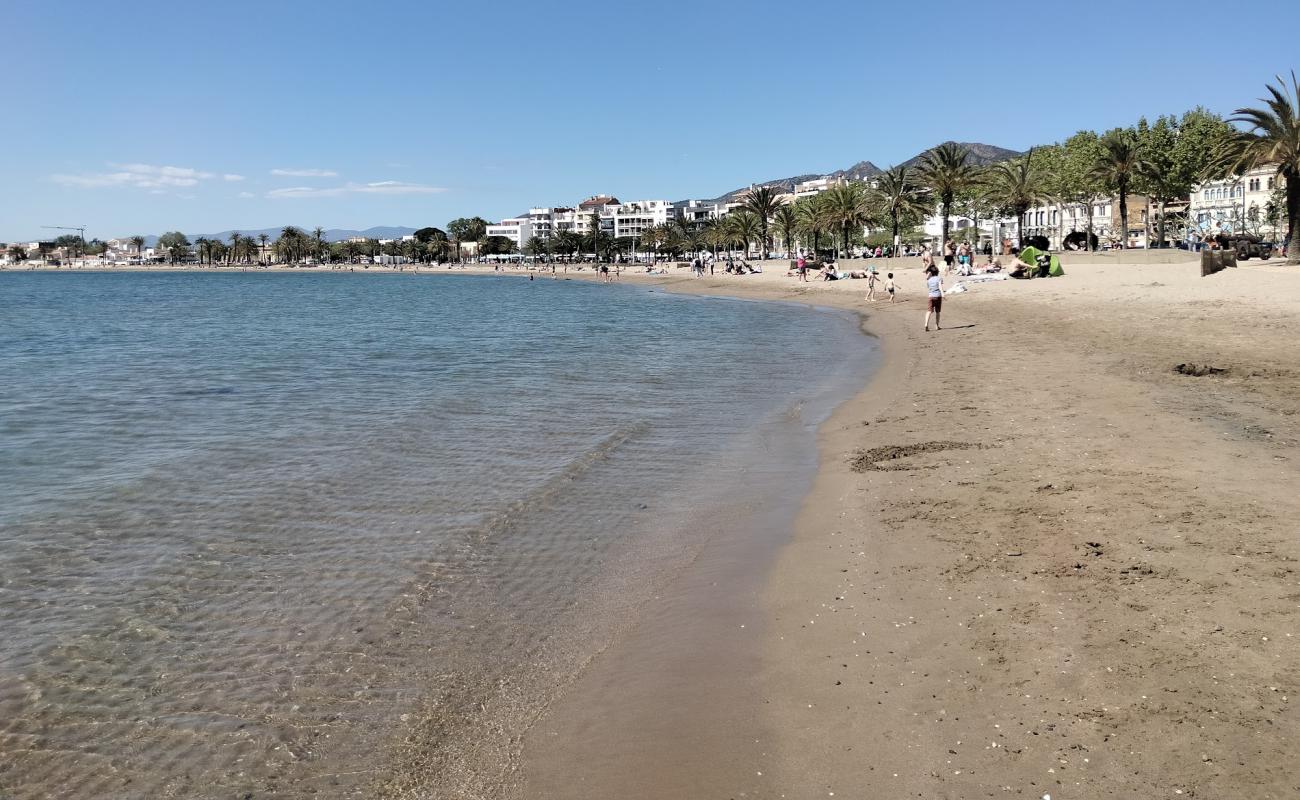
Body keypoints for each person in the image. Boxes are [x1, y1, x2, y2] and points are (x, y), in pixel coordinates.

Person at [924, 265, 943, 331]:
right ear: (937, 272)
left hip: (931, 296)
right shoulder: (939, 278)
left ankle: (926, 324)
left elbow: (928, 287)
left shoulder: (929, 280)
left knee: (929, 311)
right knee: (937, 312)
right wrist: (943, 294)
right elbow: (940, 287)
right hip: (938, 296)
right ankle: (937, 325)